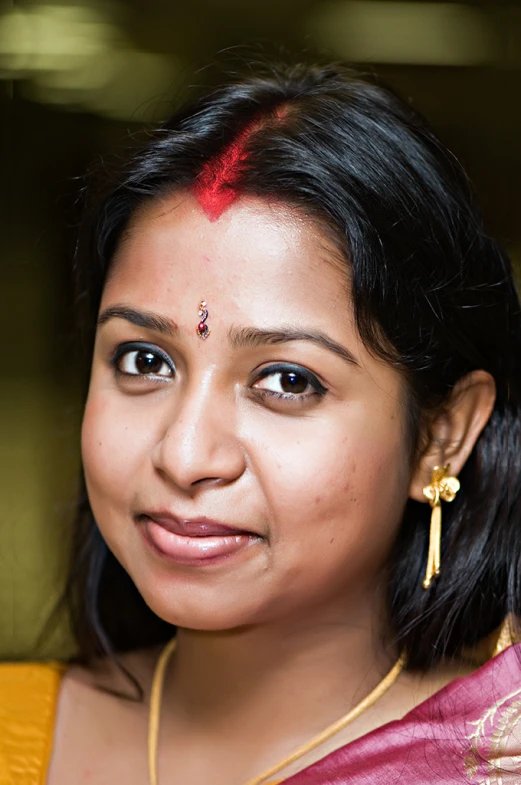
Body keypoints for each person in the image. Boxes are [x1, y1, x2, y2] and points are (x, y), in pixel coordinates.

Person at [2, 59, 521, 785]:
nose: (184, 455)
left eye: (286, 379)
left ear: (441, 433)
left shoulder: (484, 760)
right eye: (145, 361)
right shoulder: (14, 732)